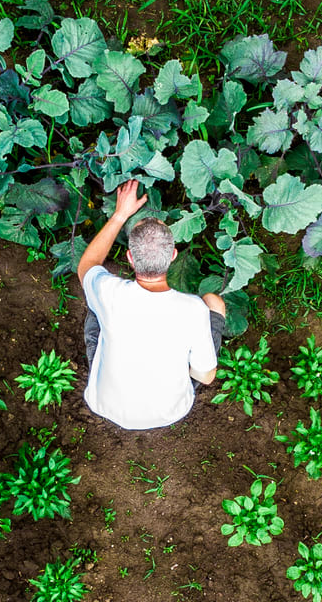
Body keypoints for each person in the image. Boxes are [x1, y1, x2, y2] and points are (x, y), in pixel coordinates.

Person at [76, 179, 227, 431]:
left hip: (105, 403)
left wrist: (120, 214)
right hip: (169, 411)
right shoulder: (192, 311)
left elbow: (87, 266)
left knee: (95, 303)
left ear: (130, 258)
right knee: (214, 302)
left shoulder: (109, 293)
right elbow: (206, 376)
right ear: (173, 256)